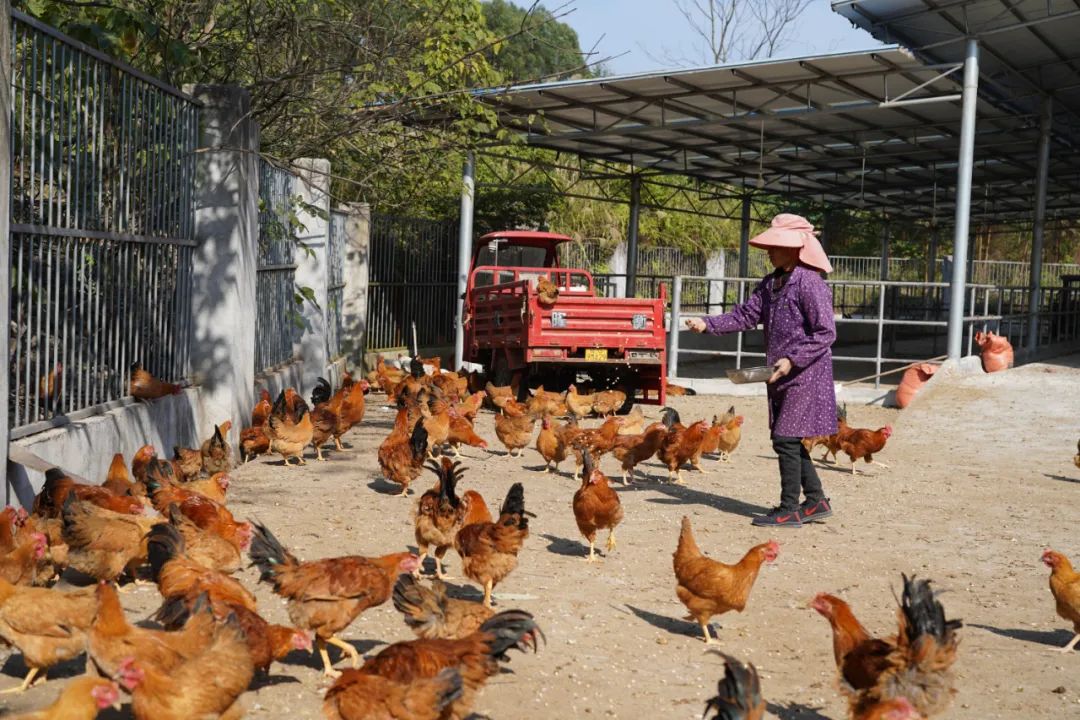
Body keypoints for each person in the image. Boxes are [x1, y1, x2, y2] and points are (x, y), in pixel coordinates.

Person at [685, 213, 837, 528]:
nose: (769, 251)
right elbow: (745, 315)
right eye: (769, 245)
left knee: (785, 439)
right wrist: (707, 324)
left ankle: (789, 508)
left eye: (776, 245)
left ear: (796, 248)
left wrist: (793, 360)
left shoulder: (809, 282)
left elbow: (825, 333)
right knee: (789, 439)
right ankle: (816, 501)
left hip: (805, 373)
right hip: (779, 374)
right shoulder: (771, 283)